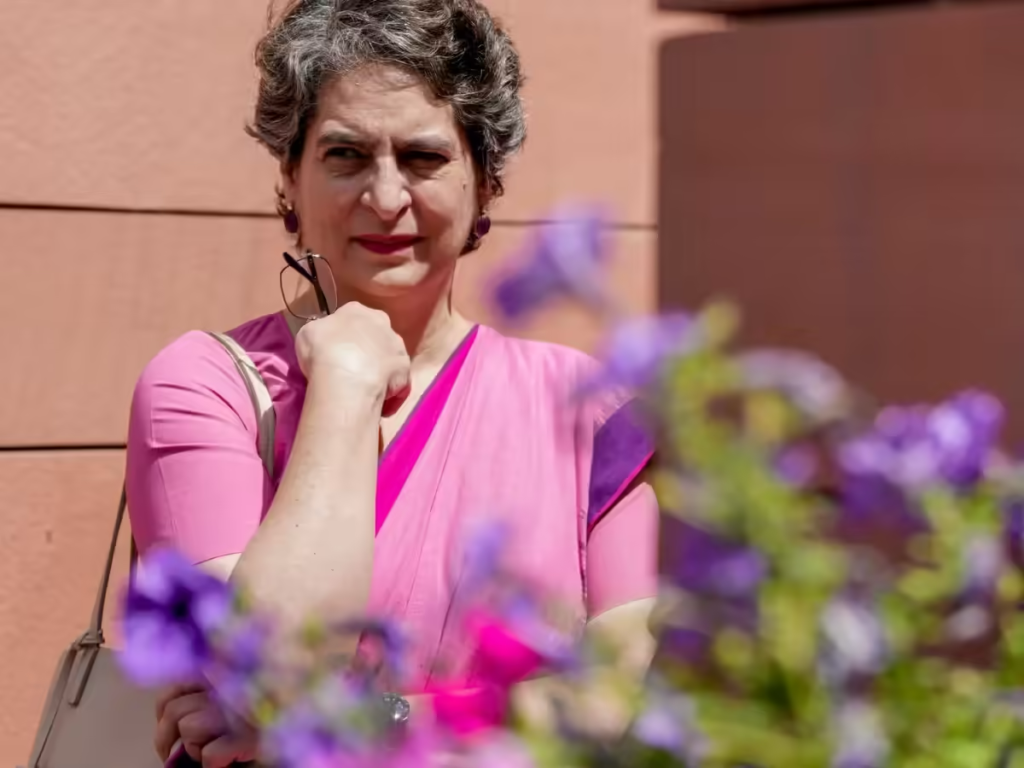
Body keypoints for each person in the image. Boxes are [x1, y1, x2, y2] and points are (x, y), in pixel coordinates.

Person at [126, 0, 659, 764]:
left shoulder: (587, 411)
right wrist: (345, 381)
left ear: (485, 182)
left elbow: (622, 697)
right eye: (345, 155)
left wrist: (378, 718)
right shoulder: (205, 388)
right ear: (290, 176)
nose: (385, 198)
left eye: (423, 158)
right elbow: (265, 678)